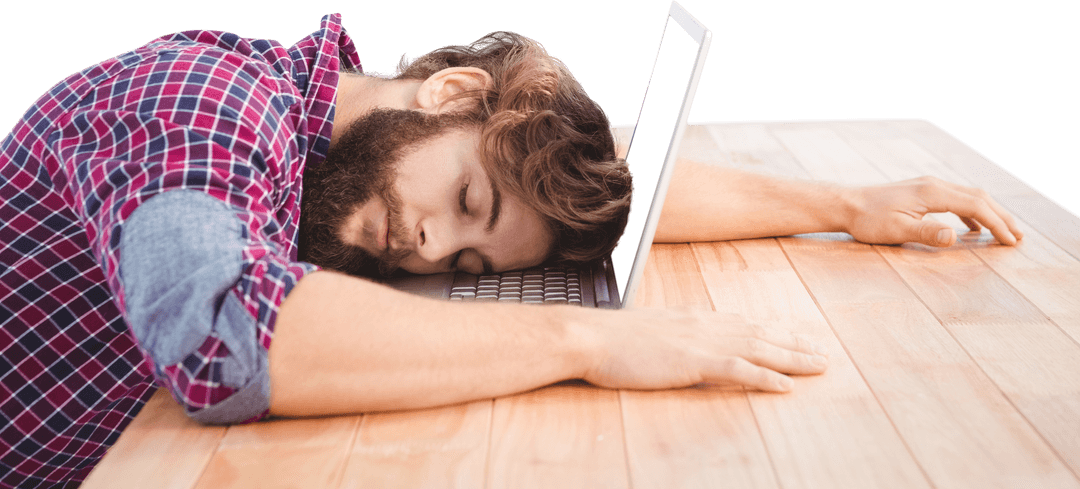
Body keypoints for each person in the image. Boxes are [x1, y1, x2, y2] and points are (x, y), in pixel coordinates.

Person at [0, 14, 1022, 487]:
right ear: (449, 95)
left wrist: (842, 202)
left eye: (468, 266)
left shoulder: (337, 150)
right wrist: (584, 342)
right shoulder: (205, 104)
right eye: (465, 199)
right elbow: (227, 345)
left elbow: (603, 193)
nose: (430, 246)